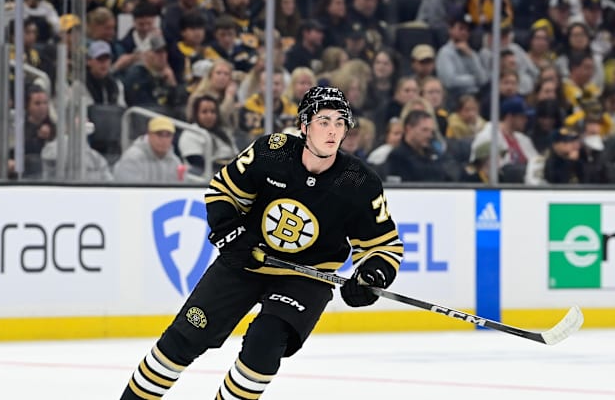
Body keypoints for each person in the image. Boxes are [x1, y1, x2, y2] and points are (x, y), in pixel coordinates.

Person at [118, 86, 404, 399]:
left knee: (264, 344)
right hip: (245, 262)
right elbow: (222, 193)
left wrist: (371, 277)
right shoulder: (272, 152)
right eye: (323, 121)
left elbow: (384, 247)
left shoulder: (360, 182)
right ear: (304, 125)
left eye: (339, 122)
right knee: (182, 341)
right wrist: (232, 234)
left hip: (304, 278)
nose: (333, 130)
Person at [113, 115, 183, 183]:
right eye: (159, 134)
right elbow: (128, 190)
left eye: (168, 135)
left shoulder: (175, 161)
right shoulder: (132, 158)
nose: (164, 140)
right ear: (149, 135)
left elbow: (179, 189)